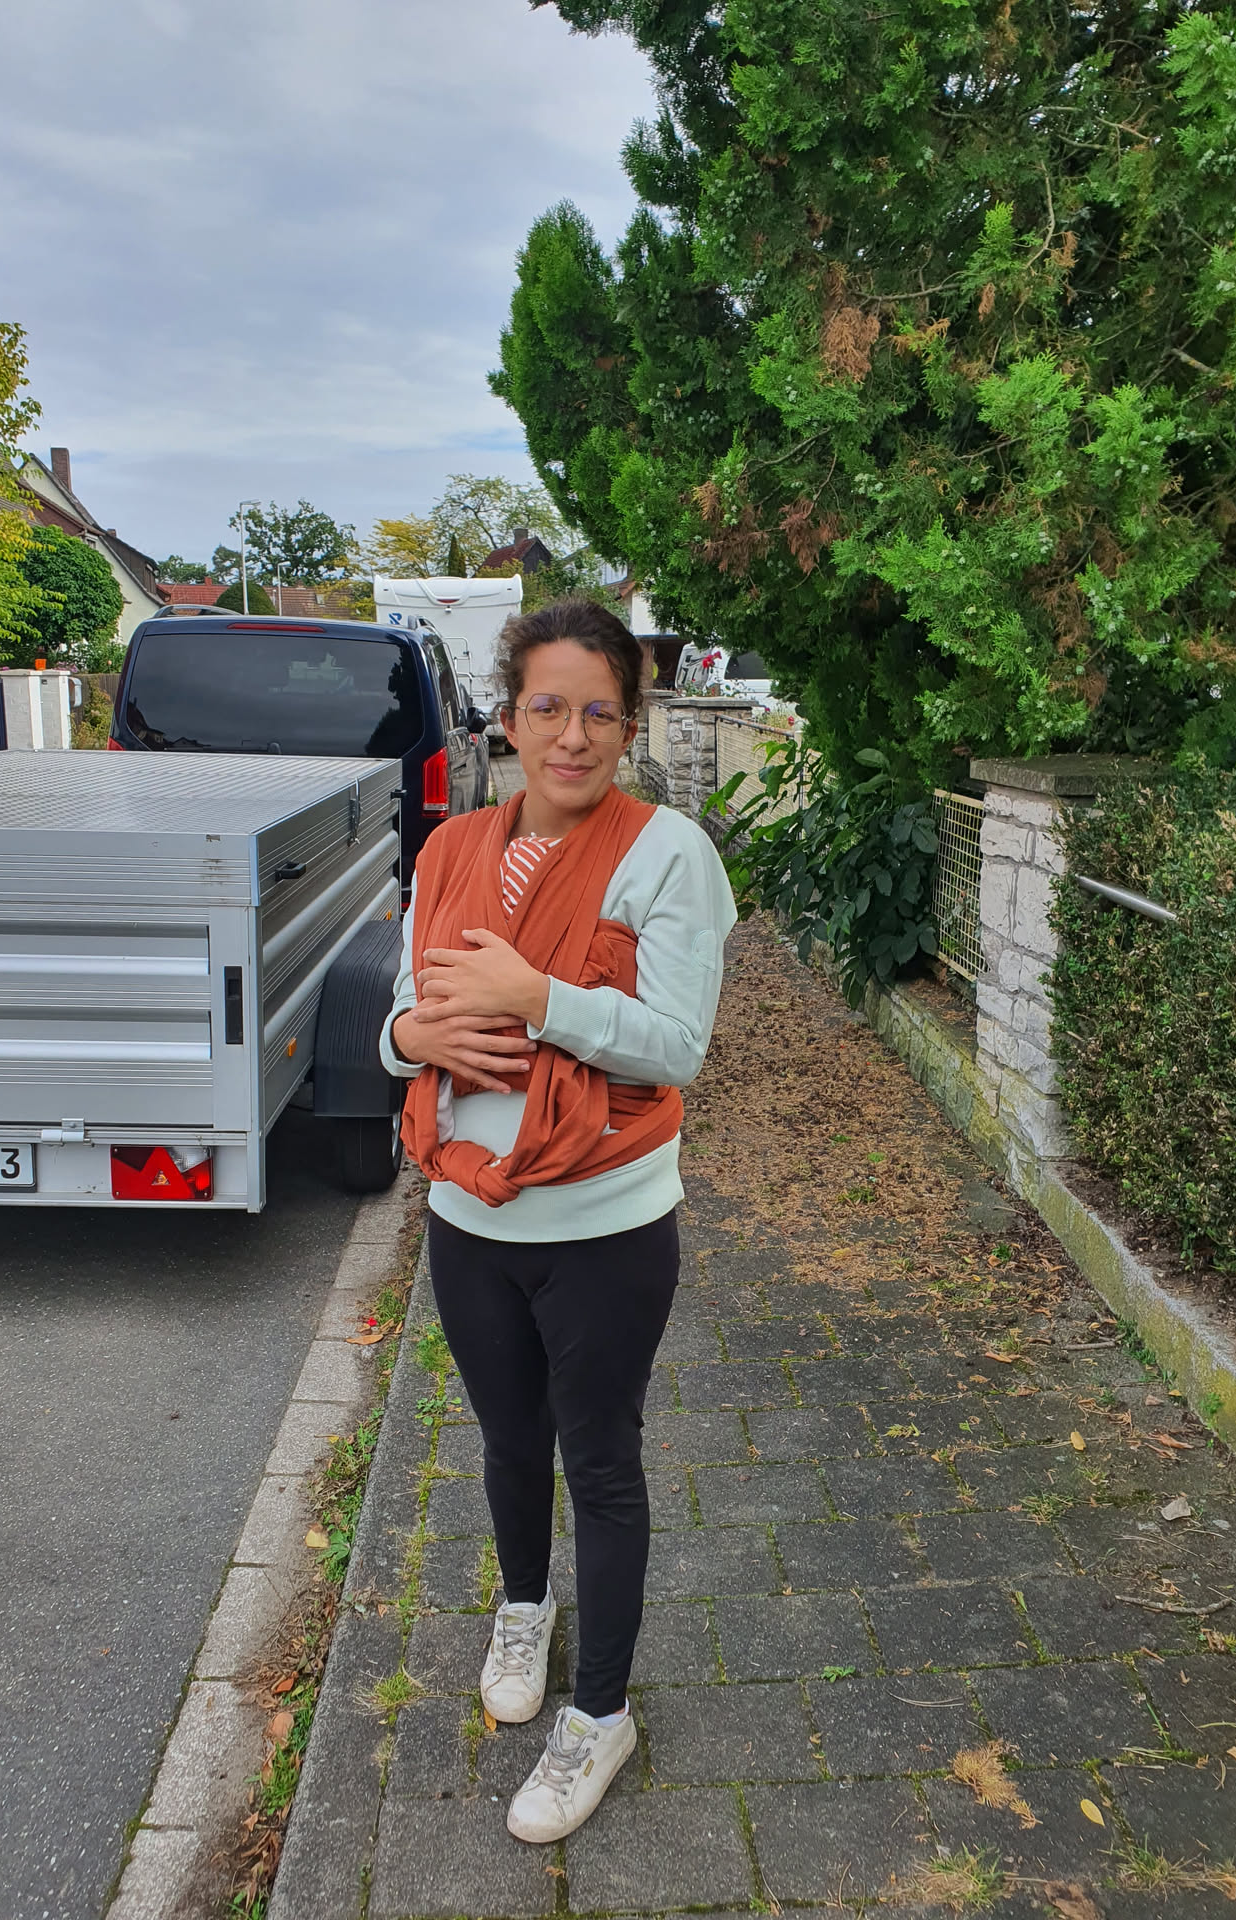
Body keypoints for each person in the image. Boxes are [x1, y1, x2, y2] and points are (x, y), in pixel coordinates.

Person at [380, 598, 736, 1842]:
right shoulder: (448, 853)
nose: (572, 735)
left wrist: (536, 996)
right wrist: (412, 1035)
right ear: (508, 716)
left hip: (604, 1225)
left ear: (630, 726)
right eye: (548, 707)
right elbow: (403, 1013)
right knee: (505, 1440)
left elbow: (676, 1045)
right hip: (468, 1216)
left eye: (599, 711)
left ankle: (601, 1715)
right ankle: (524, 1608)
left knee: (600, 1462)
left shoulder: (668, 855)